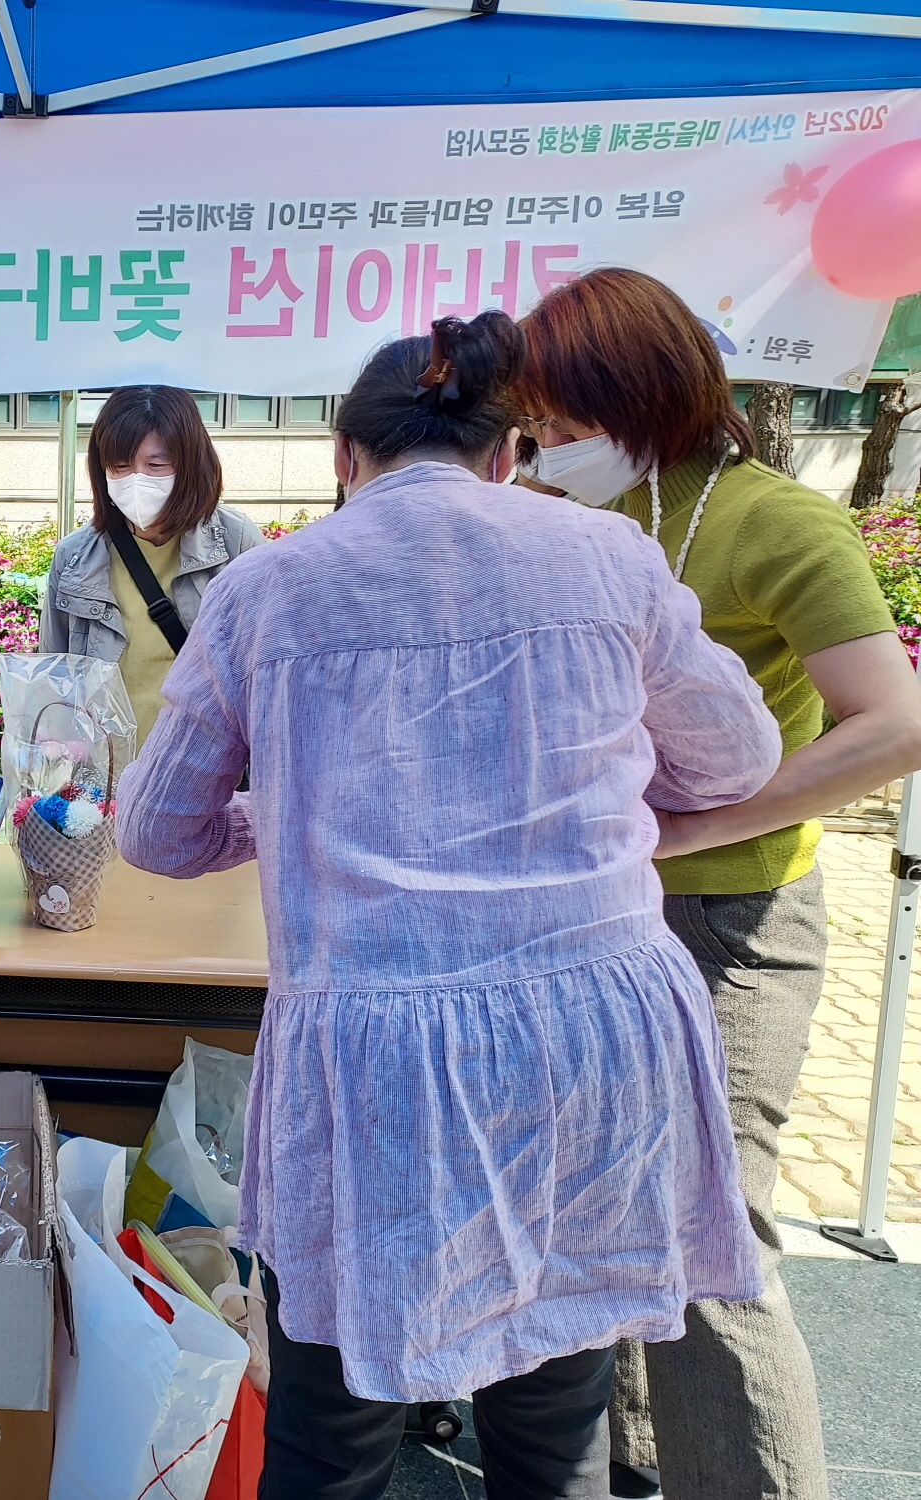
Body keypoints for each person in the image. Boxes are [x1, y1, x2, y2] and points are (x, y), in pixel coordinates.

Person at [119, 311, 780, 1500]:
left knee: (332, 1436)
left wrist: (288, 816)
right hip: (589, 1035)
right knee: (555, 1427)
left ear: (343, 456)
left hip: (377, 1063)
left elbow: (156, 833)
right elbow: (735, 760)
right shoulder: (609, 556)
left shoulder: (271, 587)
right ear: (505, 454)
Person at [515, 266, 921, 1500]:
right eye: (534, 418)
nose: (544, 440)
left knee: (710, 1238)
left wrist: (690, 828)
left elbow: (891, 722)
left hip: (730, 916)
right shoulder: (553, 510)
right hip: (585, 911)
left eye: (564, 416)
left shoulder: (772, 522)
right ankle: (635, 1457)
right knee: (594, 1201)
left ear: (643, 391)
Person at [41, 385, 263, 741]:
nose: (137, 480)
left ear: (190, 463)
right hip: (107, 763)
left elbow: (266, 671)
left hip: (200, 763)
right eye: (120, 466)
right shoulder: (75, 556)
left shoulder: (236, 542)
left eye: (156, 465)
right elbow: (53, 673)